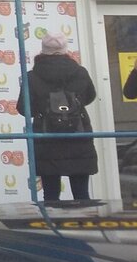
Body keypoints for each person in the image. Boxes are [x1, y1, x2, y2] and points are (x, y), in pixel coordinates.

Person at [17, 32, 97, 201]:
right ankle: (83, 219)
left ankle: (52, 219)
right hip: (78, 136)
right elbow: (90, 96)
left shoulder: (32, 76)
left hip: (47, 138)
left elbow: (24, 108)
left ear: (43, 50)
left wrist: (43, 109)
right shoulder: (80, 72)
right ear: (65, 49)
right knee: (82, 195)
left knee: (51, 196)